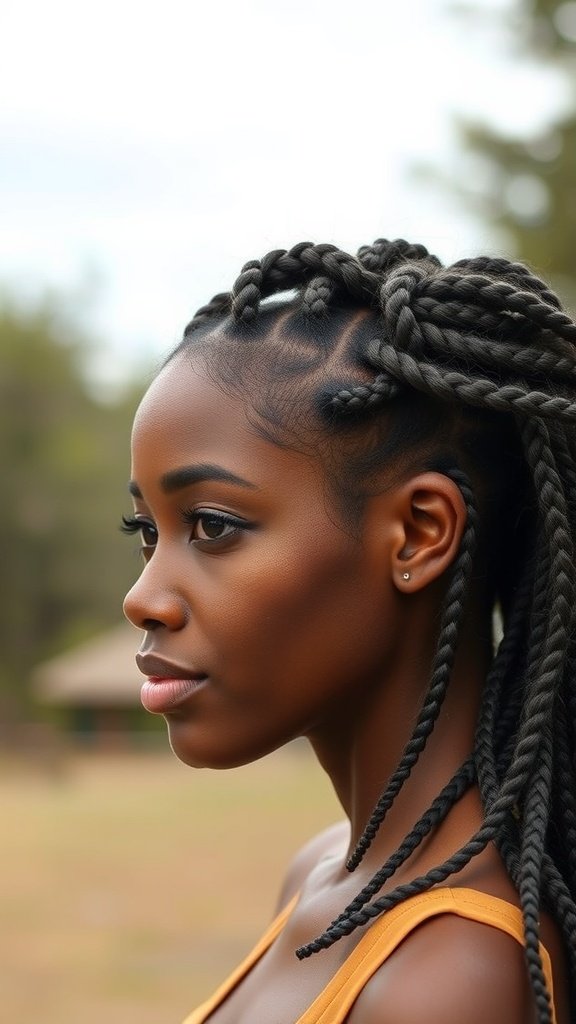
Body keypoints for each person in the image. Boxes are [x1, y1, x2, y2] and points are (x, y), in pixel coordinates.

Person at [122, 238, 576, 1024]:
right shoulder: (321, 870)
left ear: (419, 535)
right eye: (145, 530)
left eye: (213, 525)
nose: (144, 598)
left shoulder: (451, 976)